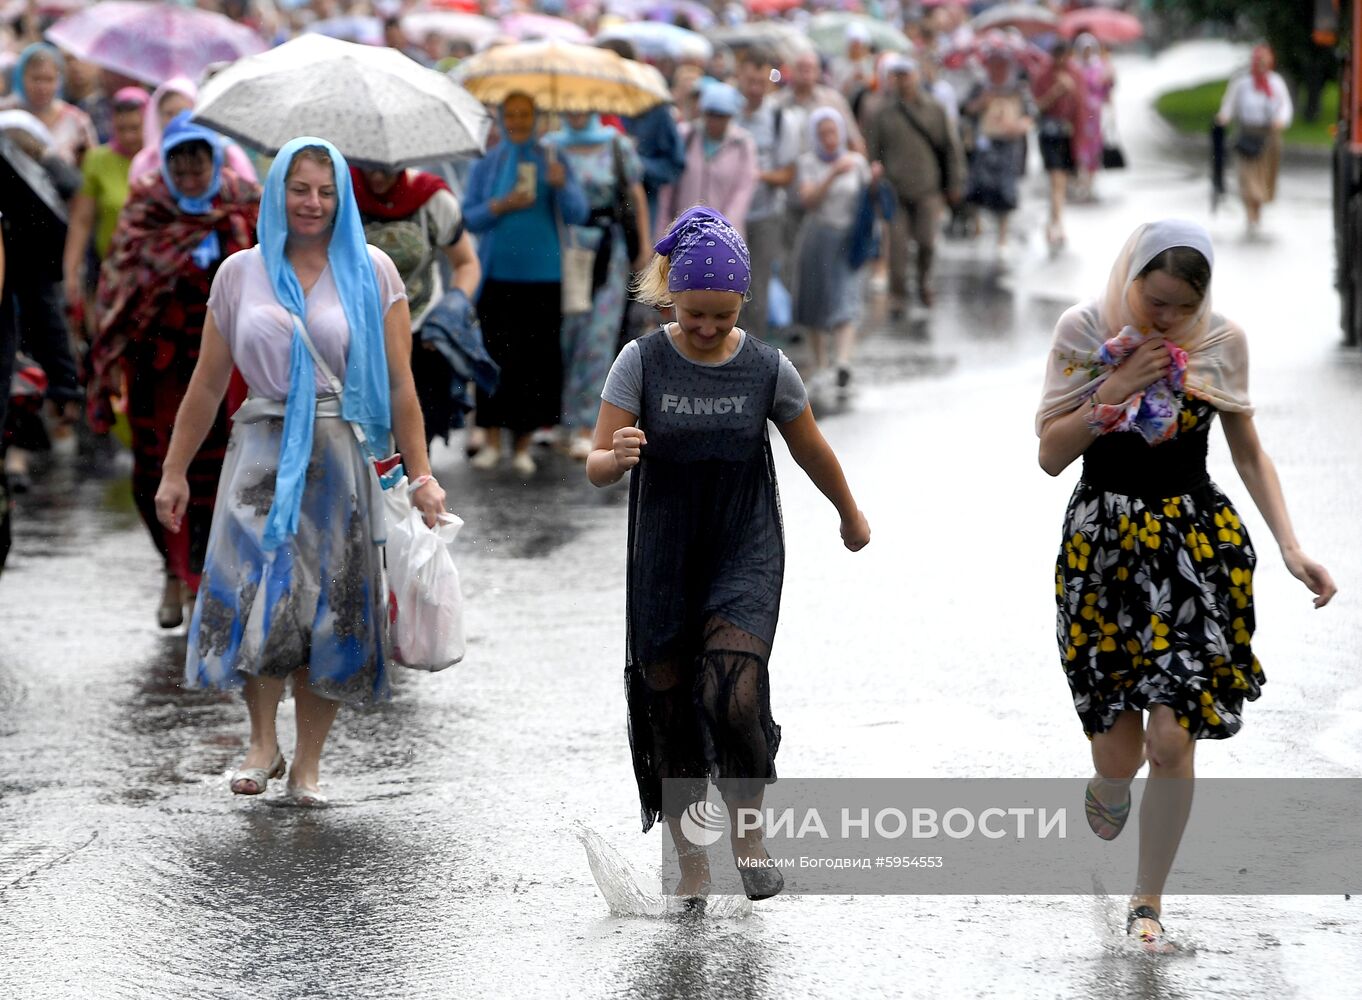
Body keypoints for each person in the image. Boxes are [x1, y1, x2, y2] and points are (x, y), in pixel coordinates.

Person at [1036, 220, 1336, 950]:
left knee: (1172, 738)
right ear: (1129, 276)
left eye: (1178, 307)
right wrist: (1115, 386)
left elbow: (1249, 449)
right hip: (1102, 551)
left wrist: (1292, 548)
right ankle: (1110, 783)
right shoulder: (1084, 330)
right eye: (1152, 298)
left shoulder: (1221, 343)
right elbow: (1049, 454)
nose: (1162, 318)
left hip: (1190, 551)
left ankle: (1147, 903)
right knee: (1122, 753)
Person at [588, 206, 871, 908]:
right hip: (664, 552)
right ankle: (690, 865)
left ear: (741, 300)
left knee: (734, 689)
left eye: (720, 315)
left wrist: (850, 513)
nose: (707, 329)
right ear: (670, 299)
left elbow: (809, 447)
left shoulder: (766, 367)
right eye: (693, 315)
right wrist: (612, 456)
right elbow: (594, 460)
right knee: (672, 707)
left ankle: (749, 837)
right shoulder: (641, 361)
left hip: (744, 543)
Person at [154, 137, 447, 806]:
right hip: (259, 451)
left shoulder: (372, 272)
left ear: (341, 198)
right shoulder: (239, 273)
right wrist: (174, 471)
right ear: (277, 193)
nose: (312, 203)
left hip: (343, 453)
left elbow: (401, 385)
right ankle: (262, 740)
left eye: (325, 191)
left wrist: (421, 474)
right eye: (300, 188)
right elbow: (205, 384)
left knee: (331, 607)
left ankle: (308, 765)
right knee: (258, 595)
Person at [89, 113, 260, 628]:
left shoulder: (242, 204)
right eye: (178, 169)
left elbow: (265, 279)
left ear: (213, 162)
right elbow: (119, 287)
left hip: (218, 371)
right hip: (154, 368)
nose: (188, 179)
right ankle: (171, 569)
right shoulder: (146, 208)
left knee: (212, 476)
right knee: (154, 472)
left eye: (197, 166)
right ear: (165, 167)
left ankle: (202, 575)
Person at [462, 91, 589, 474]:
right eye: (510, 114)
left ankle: (523, 444)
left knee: (536, 362)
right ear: (500, 118)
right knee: (494, 357)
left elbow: (578, 213)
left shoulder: (552, 156)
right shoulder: (489, 162)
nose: (517, 121)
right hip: (497, 276)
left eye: (524, 114)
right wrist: (500, 205)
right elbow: (469, 217)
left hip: (544, 277)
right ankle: (493, 439)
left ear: (536, 117)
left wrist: (562, 184)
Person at [351, 164, 484, 444]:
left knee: (416, 441)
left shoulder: (431, 199)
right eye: (368, 167)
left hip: (422, 337)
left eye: (385, 169)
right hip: (357, 337)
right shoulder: (340, 196)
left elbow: (467, 263)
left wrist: (451, 309)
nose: (376, 176)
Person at [546, 112, 649, 460]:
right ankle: (561, 419)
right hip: (564, 248)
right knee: (567, 334)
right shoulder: (549, 147)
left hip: (609, 249)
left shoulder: (616, 144)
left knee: (599, 336)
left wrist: (644, 246)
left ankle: (588, 424)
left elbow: (635, 193)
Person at [867, 55, 964, 312]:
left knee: (927, 242)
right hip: (895, 191)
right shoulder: (881, 112)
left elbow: (950, 148)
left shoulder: (934, 109)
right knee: (897, 248)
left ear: (917, 76)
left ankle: (923, 281)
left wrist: (955, 183)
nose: (903, 81)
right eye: (897, 75)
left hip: (928, 189)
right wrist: (873, 176)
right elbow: (872, 151)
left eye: (906, 74)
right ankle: (898, 294)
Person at [793, 109, 873, 394]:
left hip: (849, 238)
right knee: (815, 300)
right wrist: (832, 173)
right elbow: (808, 200)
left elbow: (868, 203)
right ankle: (820, 363)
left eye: (833, 132)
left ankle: (843, 362)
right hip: (818, 235)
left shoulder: (857, 163)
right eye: (823, 133)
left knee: (846, 297)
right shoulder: (808, 163)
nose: (829, 138)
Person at [62, 87, 148, 333]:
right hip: (108, 268)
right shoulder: (98, 160)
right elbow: (82, 220)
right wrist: (71, 272)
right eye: (122, 129)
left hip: (152, 270)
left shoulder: (160, 158)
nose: (129, 136)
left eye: (136, 127)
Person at [734, 47, 799, 344]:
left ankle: (753, 348)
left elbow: (788, 172)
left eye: (761, 81)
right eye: (750, 80)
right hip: (727, 214)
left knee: (757, 285)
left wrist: (757, 176)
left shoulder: (779, 118)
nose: (755, 87)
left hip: (764, 215)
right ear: (740, 76)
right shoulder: (727, 113)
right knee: (728, 282)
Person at [657, 83, 758, 241]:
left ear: (730, 116)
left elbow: (742, 192)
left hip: (723, 238)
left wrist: (722, 232)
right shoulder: (685, 136)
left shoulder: (742, 145)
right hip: (681, 233)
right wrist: (663, 231)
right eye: (711, 114)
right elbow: (667, 188)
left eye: (721, 116)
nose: (715, 121)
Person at [962, 44, 1035, 257]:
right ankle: (977, 227)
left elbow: (1031, 114)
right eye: (995, 65)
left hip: (1009, 146)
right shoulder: (981, 86)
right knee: (977, 187)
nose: (998, 69)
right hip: (984, 143)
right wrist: (980, 103)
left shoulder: (1019, 88)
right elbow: (965, 110)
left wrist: (1020, 125)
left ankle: (1002, 236)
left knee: (1005, 191)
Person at [1215, 45, 1292, 237]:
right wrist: (1223, 118)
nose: (1262, 65)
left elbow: (1285, 107)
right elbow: (1229, 105)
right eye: (1259, 61)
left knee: (1264, 176)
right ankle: (1250, 211)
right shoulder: (1242, 83)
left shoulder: (1276, 83)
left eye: (1265, 61)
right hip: (1246, 136)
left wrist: (1280, 120)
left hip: (1268, 137)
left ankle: (1257, 209)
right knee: (1246, 176)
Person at [127, 78, 257, 186]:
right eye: (168, 113)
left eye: (183, 112)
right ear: (157, 116)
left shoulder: (228, 154)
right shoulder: (145, 161)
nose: (176, 120)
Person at [1, 43, 97, 165]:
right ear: (21, 77)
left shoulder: (77, 121)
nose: (42, 87)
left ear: (59, 81)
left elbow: (91, 166)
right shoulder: (6, 113)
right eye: (36, 79)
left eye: (49, 79)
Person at [1031, 40, 1080, 252]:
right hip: (1050, 134)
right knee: (1056, 180)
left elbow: (1081, 104)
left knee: (1061, 183)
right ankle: (1057, 225)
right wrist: (1056, 91)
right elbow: (1038, 106)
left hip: (1068, 134)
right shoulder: (1043, 76)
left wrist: (1071, 89)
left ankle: (1053, 222)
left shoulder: (1073, 74)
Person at [1071, 33, 1112, 202]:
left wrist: (1108, 80)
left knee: (1094, 149)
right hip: (1079, 114)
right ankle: (1081, 181)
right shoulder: (1075, 67)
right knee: (1080, 149)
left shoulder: (1100, 66)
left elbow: (1106, 91)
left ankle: (1091, 183)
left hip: (1095, 116)